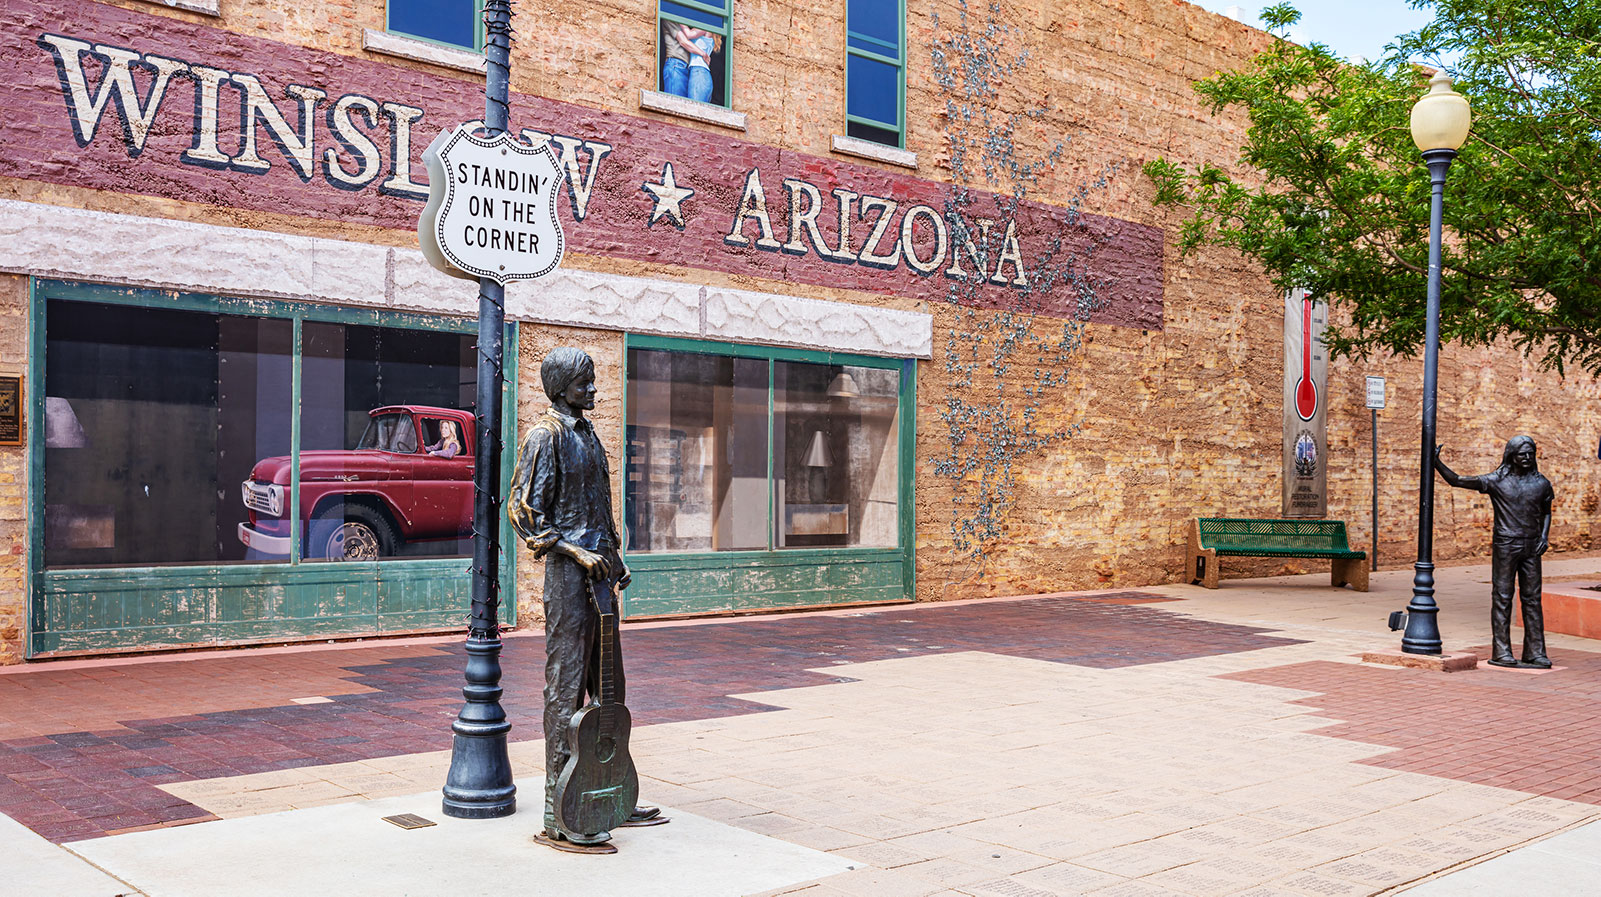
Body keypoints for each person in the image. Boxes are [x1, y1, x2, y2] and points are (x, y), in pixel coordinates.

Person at [507, 347, 661, 849]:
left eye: (593, 382)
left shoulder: (589, 435)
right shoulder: (544, 436)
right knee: (567, 685)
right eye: (584, 383)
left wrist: (614, 556)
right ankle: (560, 808)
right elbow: (524, 510)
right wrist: (575, 552)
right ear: (560, 387)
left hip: (601, 576)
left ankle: (608, 789)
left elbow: (598, 506)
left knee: (609, 687)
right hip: (570, 579)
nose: (594, 390)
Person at [1435, 435, 1555, 668]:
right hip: (1506, 545)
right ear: (1511, 456)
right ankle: (1501, 651)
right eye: (1522, 454)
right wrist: (1436, 463)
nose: (1527, 458)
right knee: (1502, 597)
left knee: (1532, 599)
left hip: (1532, 545)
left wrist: (1543, 536)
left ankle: (1535, 652)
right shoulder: (1497, 481)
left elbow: (1546, 511)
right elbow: (1458, 480)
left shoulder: (1541, 483)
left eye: (1531, 453)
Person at [680, 26, 720, 104]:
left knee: (694, 109)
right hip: (700, 72)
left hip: (699, 72)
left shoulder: (705, 26)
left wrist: (678, 17)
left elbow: (689, 34)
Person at [659, 20, 692, 98]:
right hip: (676, 65)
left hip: (685, 67)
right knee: (676, 104)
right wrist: (703, 54)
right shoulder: (670, 19)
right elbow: (683, 41)